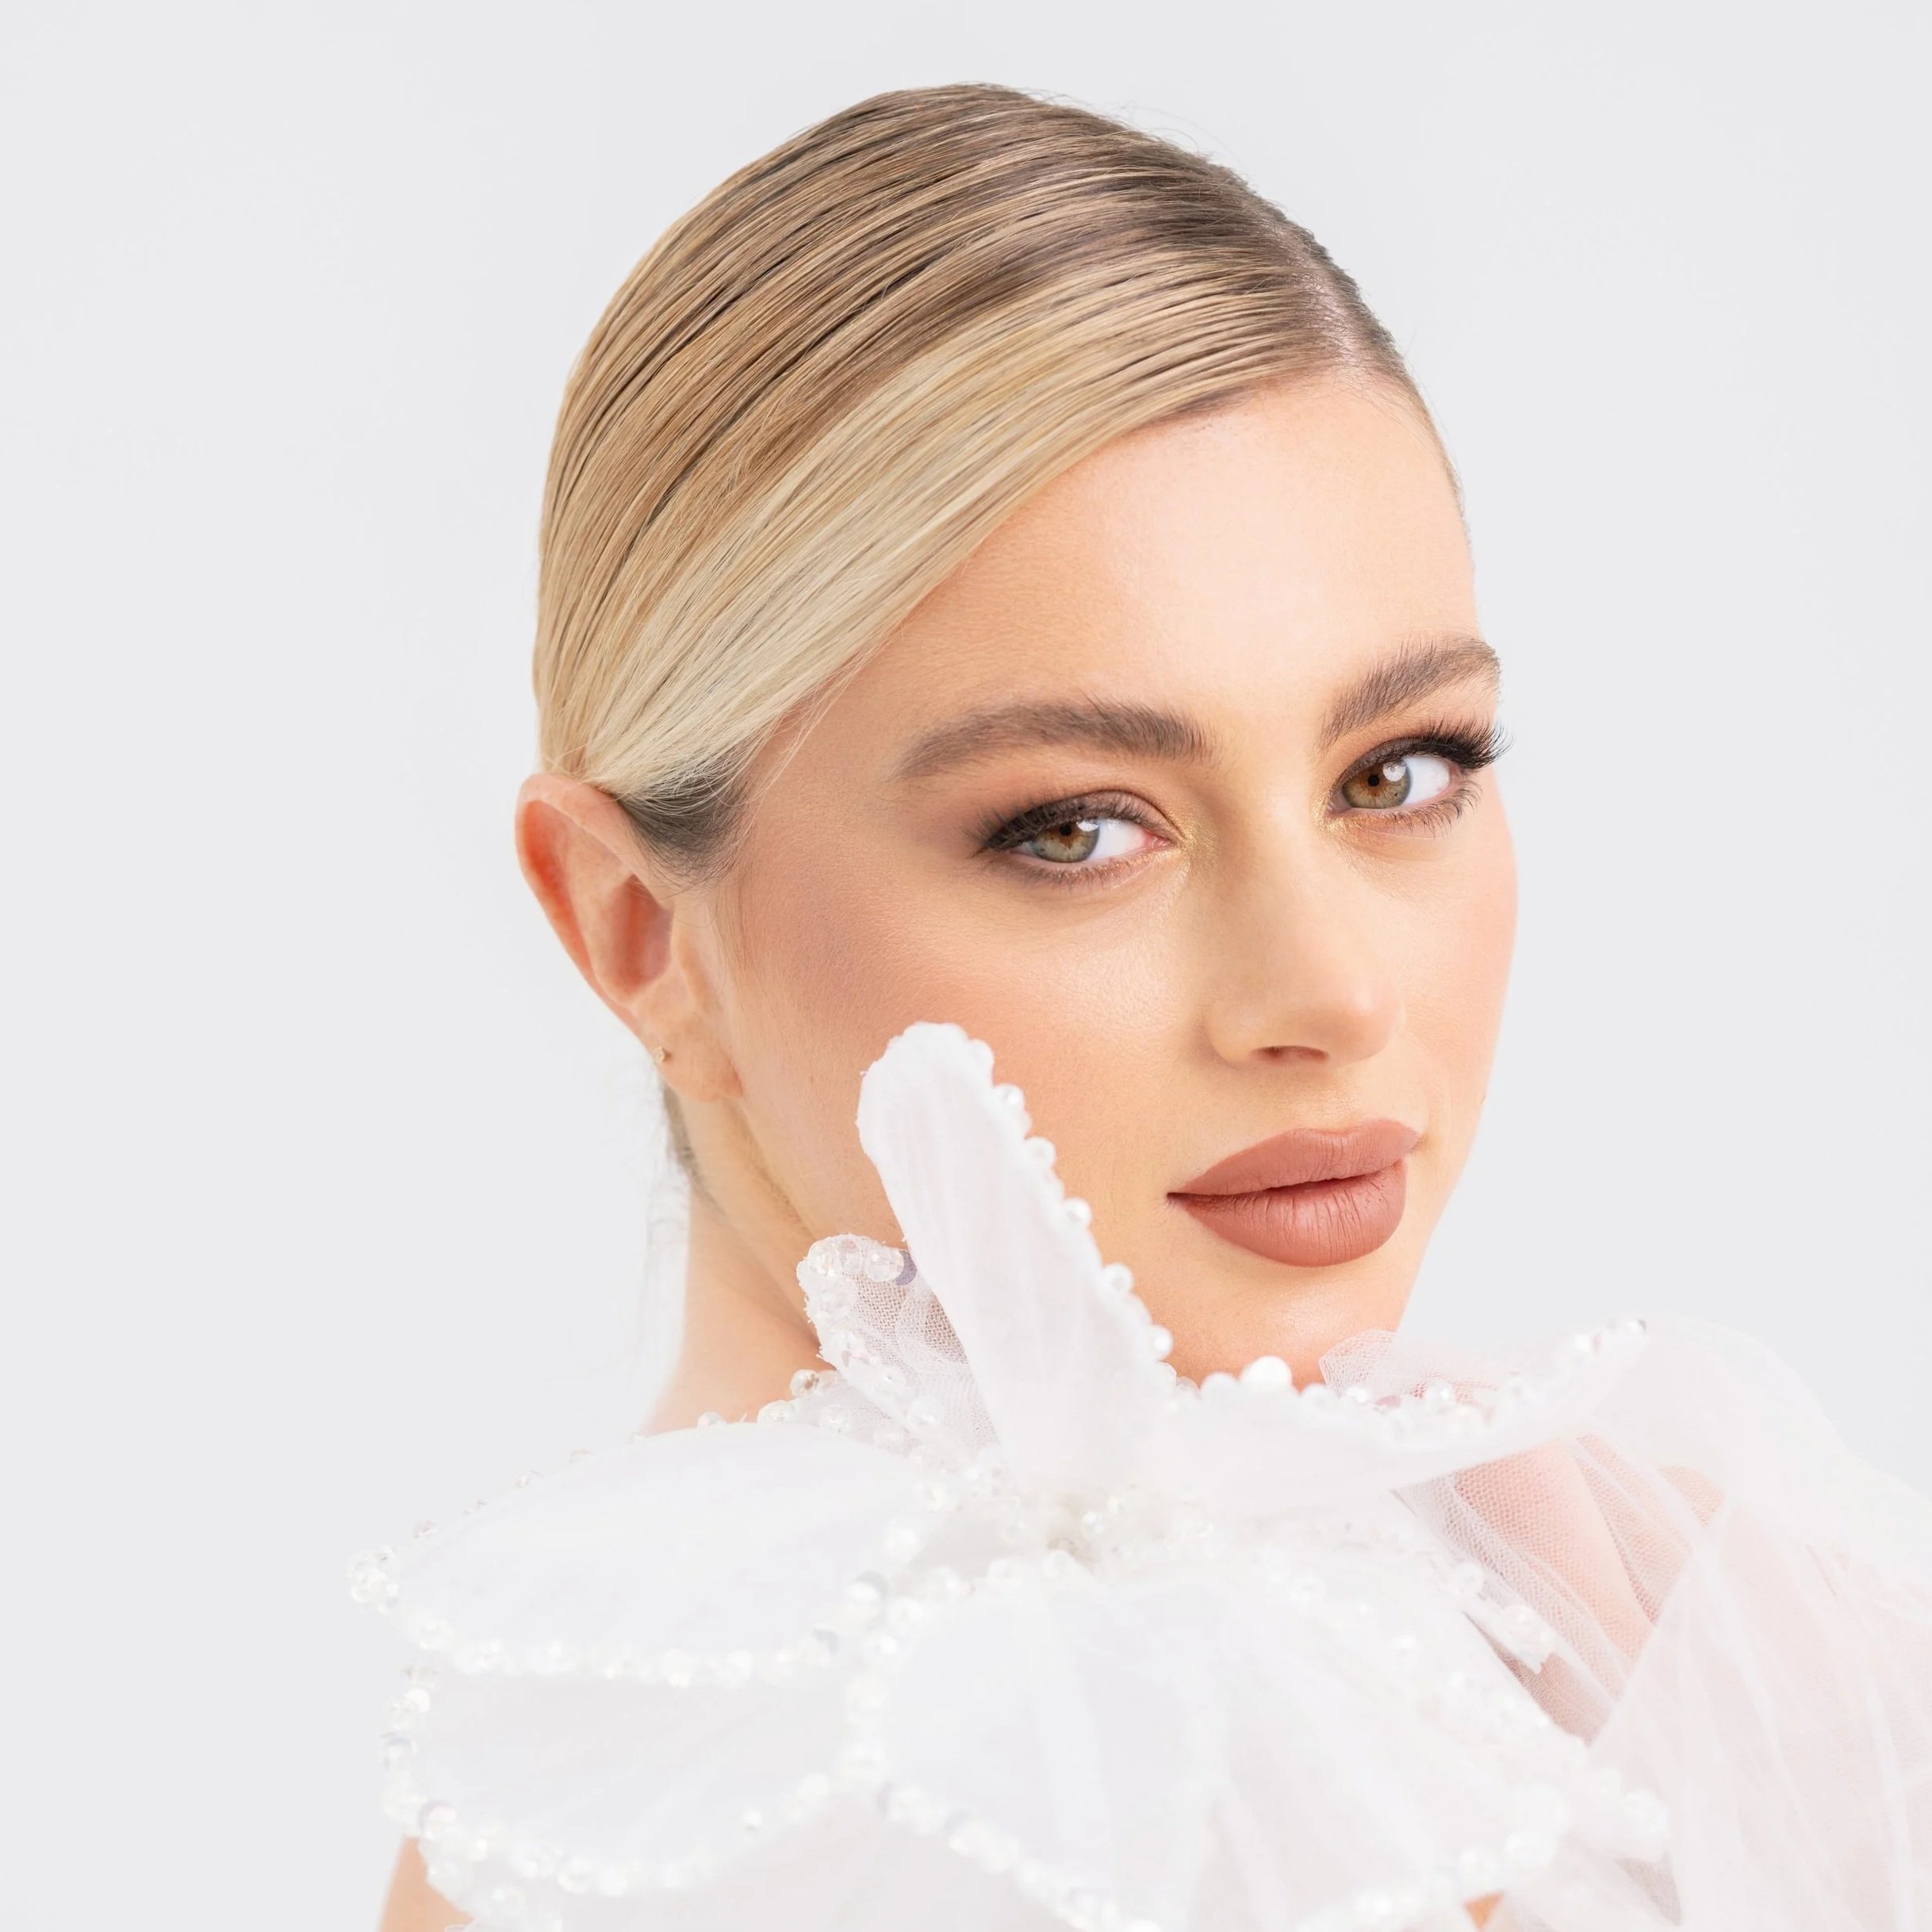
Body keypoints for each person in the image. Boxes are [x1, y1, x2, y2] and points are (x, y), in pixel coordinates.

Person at [359, 83, 1932, 1932]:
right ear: (639, 931)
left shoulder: (1594, 1593)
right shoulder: (801, 1804)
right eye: (1079, 828)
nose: (1331, 992)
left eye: (1403, 770)